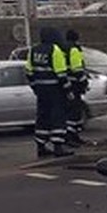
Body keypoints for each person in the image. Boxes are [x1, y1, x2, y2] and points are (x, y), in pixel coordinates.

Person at [25, 26, 72, 157]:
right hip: (55, 90)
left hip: (41, 91)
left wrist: (35, 87)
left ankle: (41, 145)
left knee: (42, 117)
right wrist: (68, 90)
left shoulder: (33, 50)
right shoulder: (55, 50)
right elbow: (61, 74)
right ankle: (58, 146)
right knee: (58, 117)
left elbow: (29, 72)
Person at [63, 29, 89, 146]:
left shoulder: (62, 48)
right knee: (74, 112)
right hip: (75, 85)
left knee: (70, 112)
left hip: (66, 84)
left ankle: (73, 136)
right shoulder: (74, 49)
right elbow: (77, 68)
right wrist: (84, 82)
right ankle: (72, 137)